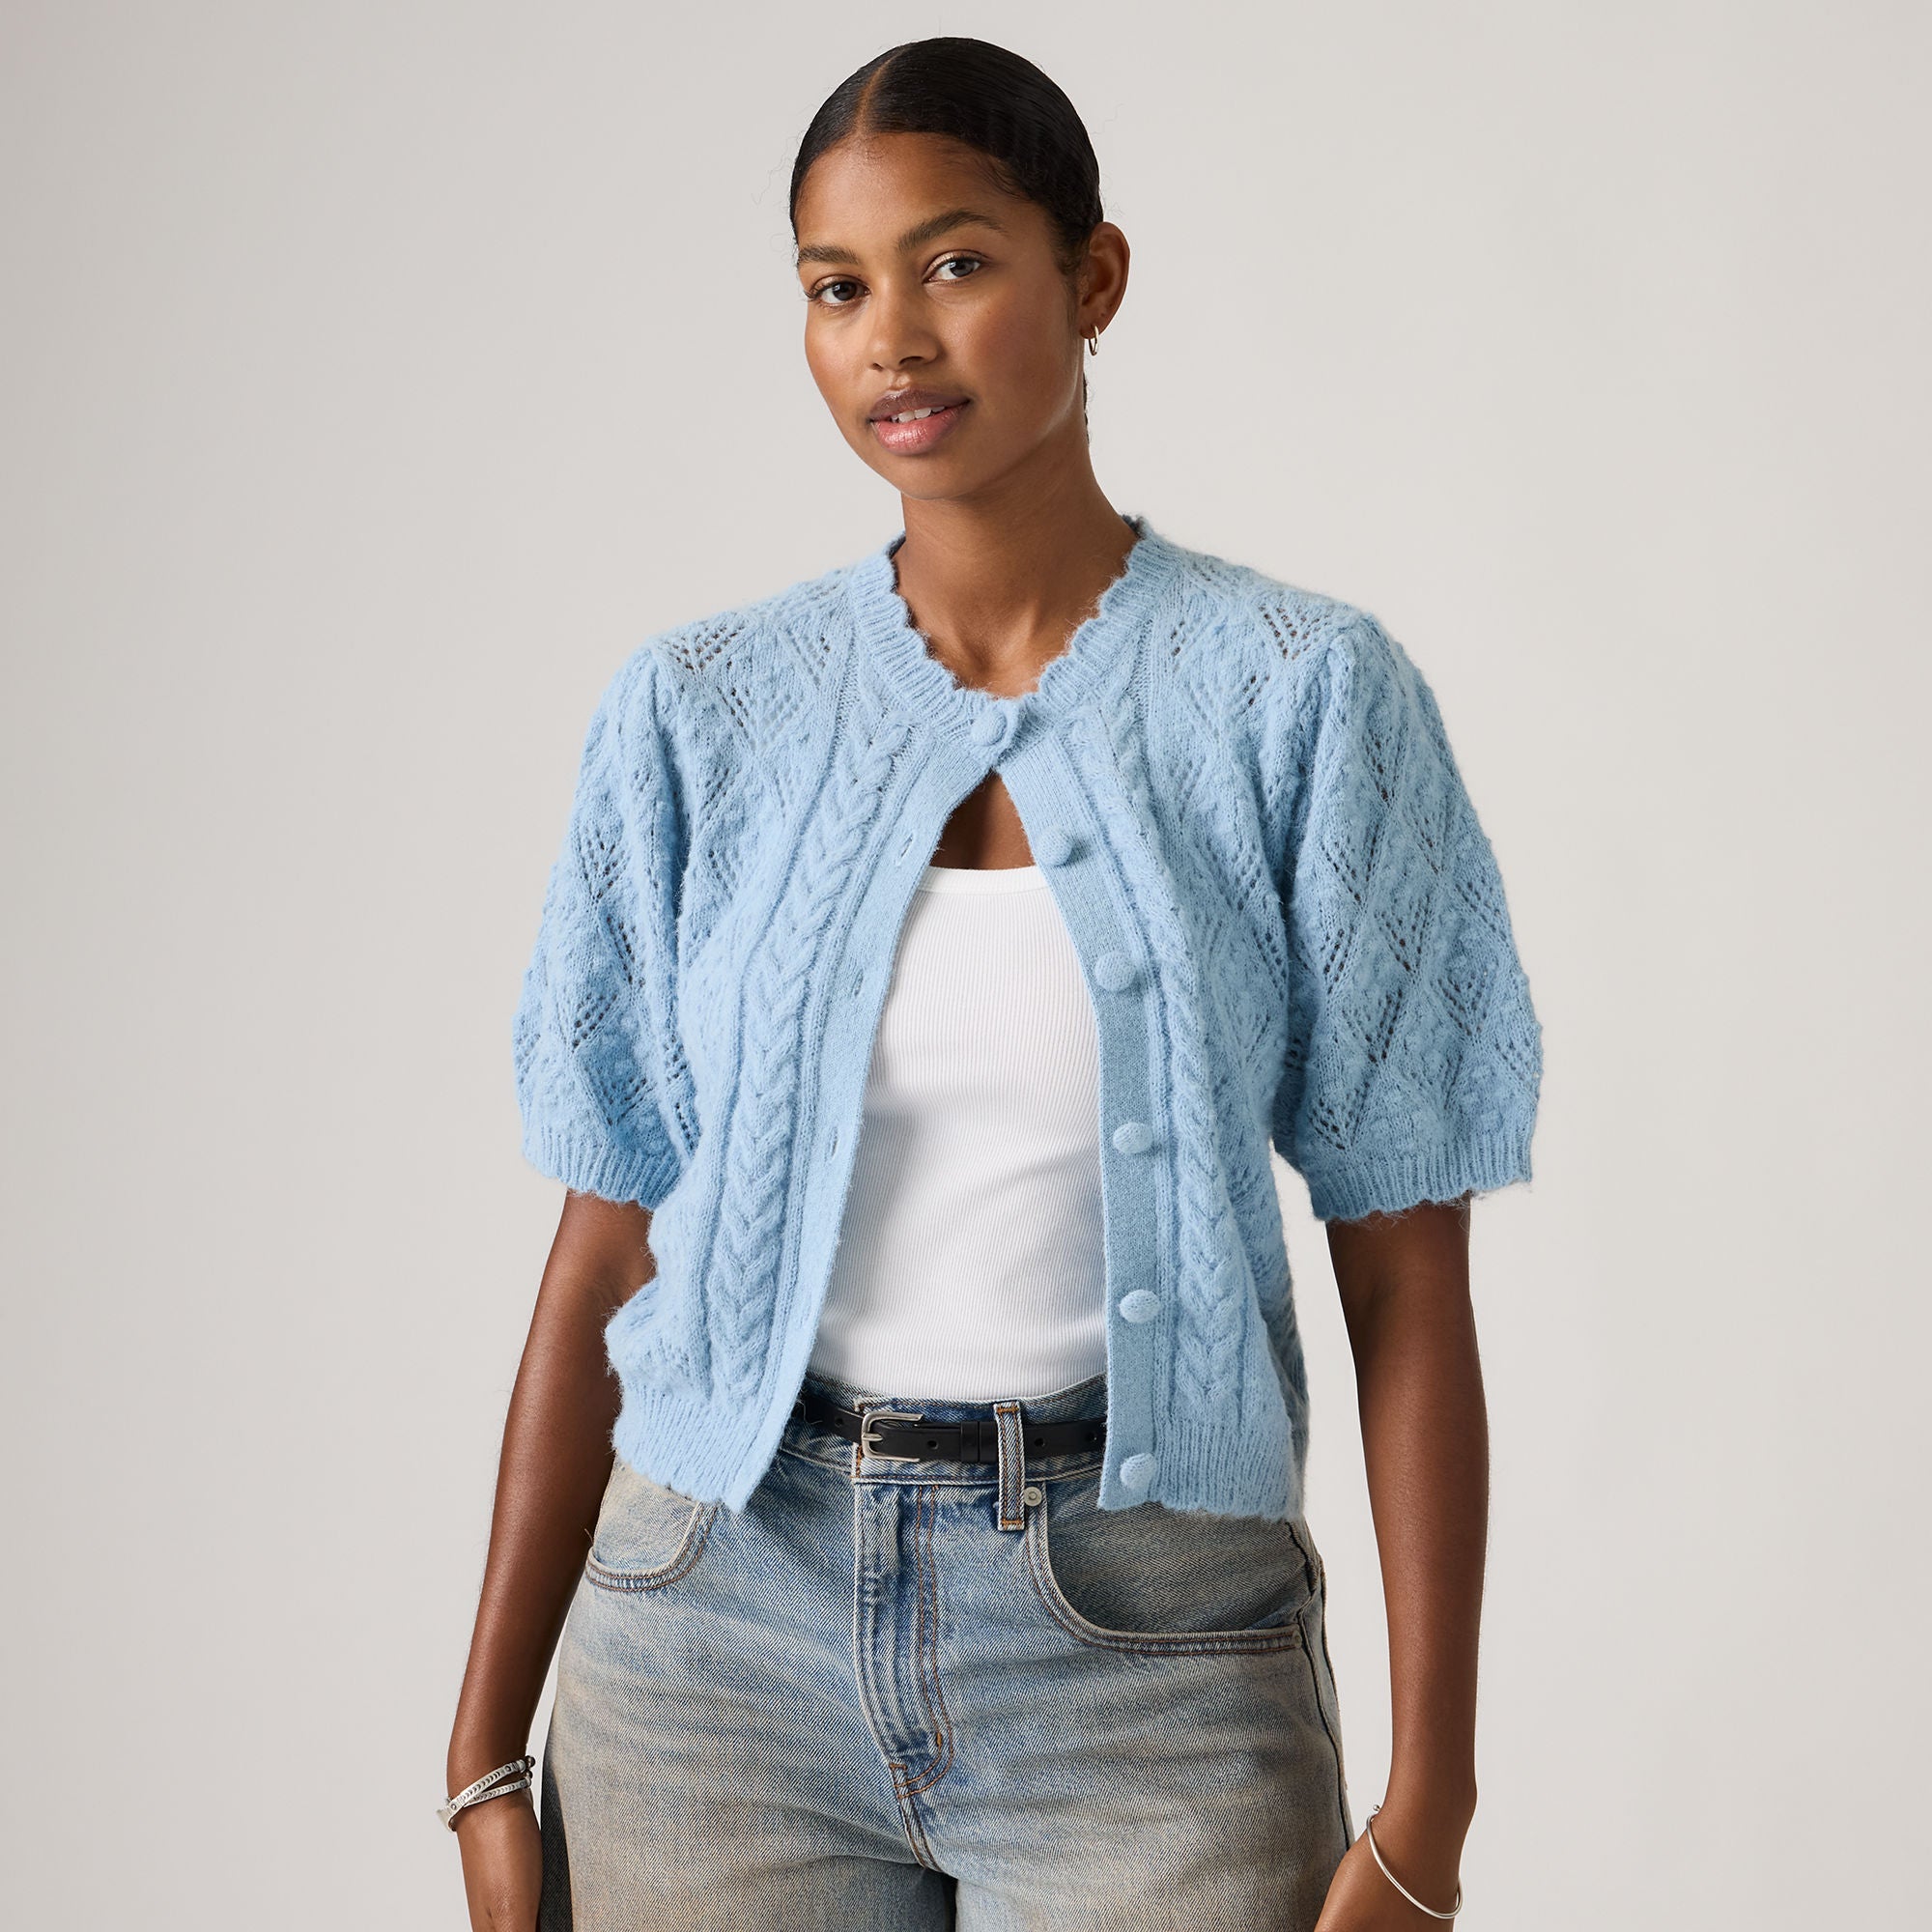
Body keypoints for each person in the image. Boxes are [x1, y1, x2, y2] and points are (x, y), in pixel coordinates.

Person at [443, 34, 1542, 1932]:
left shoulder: (1300, 699)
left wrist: (1429, 1799)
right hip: (710, 1634)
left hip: (1150, 1650)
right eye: (835, 287)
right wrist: (481, 1749)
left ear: (1091, 275)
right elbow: (607, 1238)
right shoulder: (698, 713)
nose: (893, 339)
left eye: (953, 262)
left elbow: (1403, 1268)